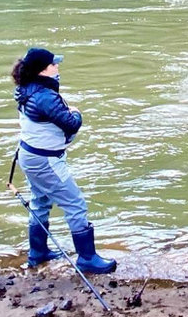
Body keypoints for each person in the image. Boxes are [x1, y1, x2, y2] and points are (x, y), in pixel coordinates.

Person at [11, 47, 117, 274]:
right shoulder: (45, 96)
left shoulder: (25, 89)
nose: (57, 66)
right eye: (53, 64)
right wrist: (77, 112)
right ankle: (87, 258)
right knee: (75, 203)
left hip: (29, 156)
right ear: (43, 70)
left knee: (40, 201)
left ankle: (37, 254)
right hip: (46, 161)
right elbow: (71, 124)